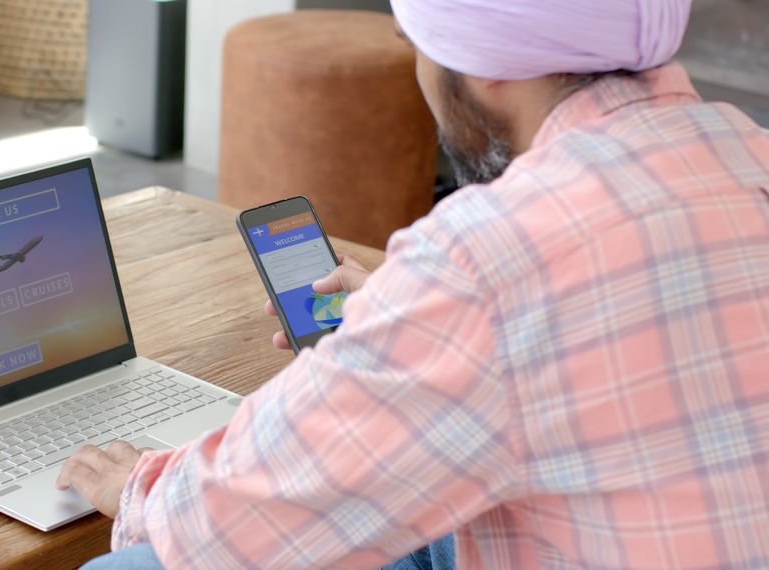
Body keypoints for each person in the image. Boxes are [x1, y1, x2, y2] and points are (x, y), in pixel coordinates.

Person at [57, 0, 769, 567]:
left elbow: (246, 521)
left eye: (417, 42)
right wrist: (413, 321)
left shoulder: (488, 256)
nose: (422, 74)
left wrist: (140, 490)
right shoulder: (747, 147)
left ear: (491, 65)